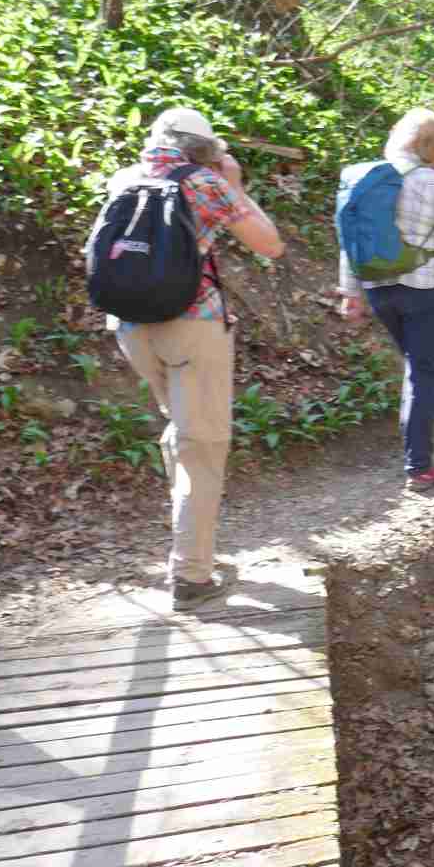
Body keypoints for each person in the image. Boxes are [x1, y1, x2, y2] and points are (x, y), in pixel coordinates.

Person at [104, 107, 285, 607]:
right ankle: (191, 576)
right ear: (203, 149)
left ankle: (194, 549)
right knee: (201, 446)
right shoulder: (204, 182)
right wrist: (235, 184)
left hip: (129, 326)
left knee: (185, 434)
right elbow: (270, 244)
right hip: (192, 327)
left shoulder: (124, 179)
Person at [337, 109, 434, 487]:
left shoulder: (364, 177)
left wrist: (350, 291)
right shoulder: (432, 181)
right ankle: (419, 466)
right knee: (423, 371)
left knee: (414, 365)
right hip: (422, 285)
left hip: (377, 287)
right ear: (432, 147)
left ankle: (416, 458)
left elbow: (349, 239)